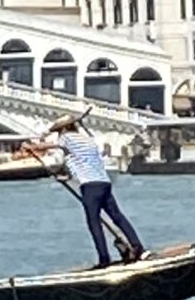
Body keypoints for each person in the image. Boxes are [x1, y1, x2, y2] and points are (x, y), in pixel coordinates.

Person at [29, 112, 146, 268]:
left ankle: (104, 259)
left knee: (94, 222)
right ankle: (137, 247)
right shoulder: (88, 140)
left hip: (90, 187)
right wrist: (65, 176)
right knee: (117, 216)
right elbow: (78, 161)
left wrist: (31, 147)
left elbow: (48, 146)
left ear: (63, 129)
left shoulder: (66, 138)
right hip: (104, 183)